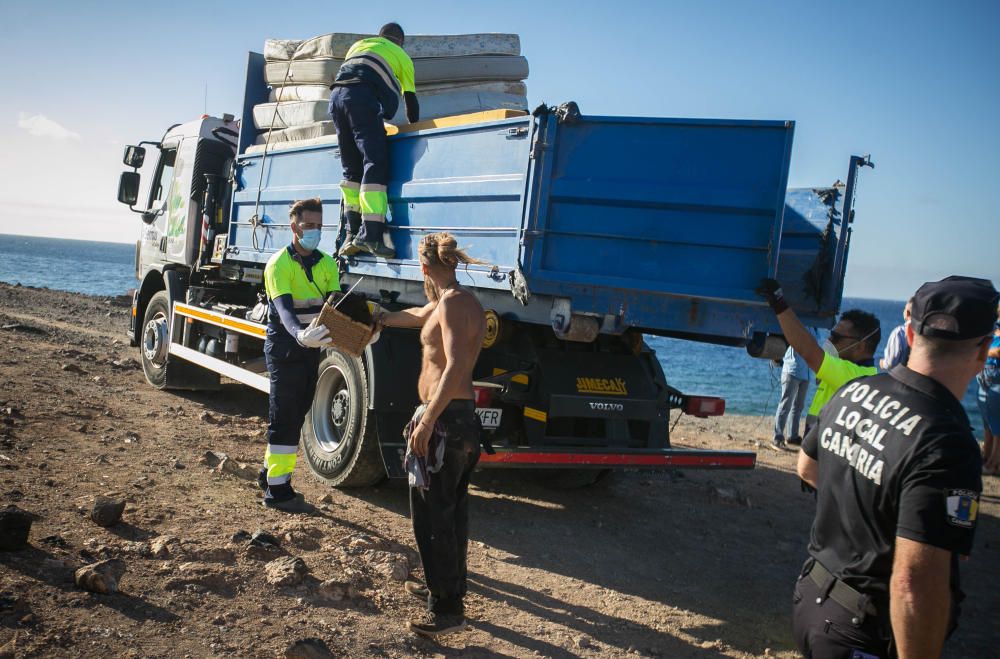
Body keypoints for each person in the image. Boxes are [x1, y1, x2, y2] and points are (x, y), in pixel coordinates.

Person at [792, 275, 998, 658]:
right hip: (862, 632)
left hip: (811, 599)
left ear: (910, 332)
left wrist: (867, 508)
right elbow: (915, 581)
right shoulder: (948, 442)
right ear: (984, 349)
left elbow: (806, 466)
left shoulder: (854, 390)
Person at [376, 232, 485, 638]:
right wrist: (384, 317)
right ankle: (448, 591)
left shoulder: (454, 305)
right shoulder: (451, 301)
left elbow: (456, 364)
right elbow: (420, 315)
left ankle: (446, 611)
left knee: (433, 518)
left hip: (446, 423)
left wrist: (425, 422)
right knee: (451, 512)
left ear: (424, 268)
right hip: (457, 422)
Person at [257, 198, 338, 513]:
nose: (315, 231)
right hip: (285, 348)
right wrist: (299, 334)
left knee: (299, 411)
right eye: (309, 225)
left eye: (319, 226)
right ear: (294, 227)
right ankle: (278, 491)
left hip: (311, 351)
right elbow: (285, 311)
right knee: (284, 417)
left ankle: (268, 475)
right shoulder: (279, 264)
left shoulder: (327, 263)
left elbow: (334, 304)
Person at [328, 22, 419, 260]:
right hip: (361, 97)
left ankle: (351, 234)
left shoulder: (358, 45)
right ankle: (371, 235)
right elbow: (411, 102)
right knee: (375, 163)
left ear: (380, 36)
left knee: (351, 169)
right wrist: (414, 127)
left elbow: (350, 75)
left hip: (336, 98)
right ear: (400, 42)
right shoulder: (402, 56)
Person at [758, 279, 881, 431]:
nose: (829, 340)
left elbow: (808, 350)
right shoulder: (848, 370)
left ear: (860, 346)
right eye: (831, 334)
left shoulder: (854, 377)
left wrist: (778, 301)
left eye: (836, 337)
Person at [773, 337, 814, 449]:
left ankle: (793, 436)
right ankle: (778, 437)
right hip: (792, 370)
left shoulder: (815, 329)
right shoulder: (797, 323)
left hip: (806, 373)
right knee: (785, 405)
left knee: (798, 406)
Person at [977, 308, 1000, 474]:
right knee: (987, 420)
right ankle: (986, 455)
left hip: (997, 379)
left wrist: (982, 351)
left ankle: (994, 463)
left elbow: (998, 352)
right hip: (984, 378)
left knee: (997, 423)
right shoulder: (992, 328)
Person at [880, 297, 914, 371]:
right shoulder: (924, 333)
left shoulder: (900, 332)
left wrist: (881, 363)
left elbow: (890, 363)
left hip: (901, 378)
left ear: (907, 313)